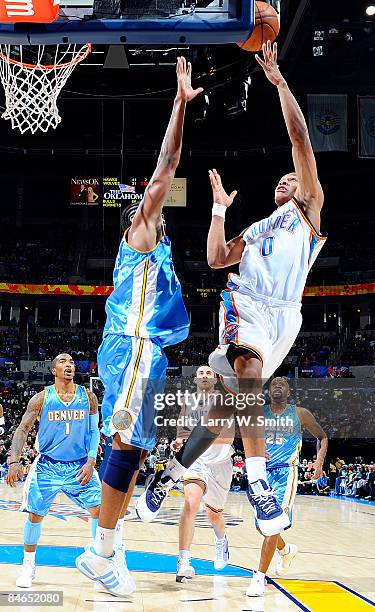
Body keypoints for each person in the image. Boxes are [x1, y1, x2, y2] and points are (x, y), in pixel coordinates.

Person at [137, 41, 325, 538]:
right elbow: (218, 258)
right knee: (249, 375)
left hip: (286, 316)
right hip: (248, 304)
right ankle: (260, 486)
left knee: (227, 409)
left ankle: (169, 474)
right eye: (282, 179)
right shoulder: (261, 227)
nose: (288, 180)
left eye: (293, 178)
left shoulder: (307, 211)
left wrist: (280, 83)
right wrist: (219, 210)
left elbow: (301, 141)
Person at [75, 56, 203, 597]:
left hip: (149, 356)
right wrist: (178, 105)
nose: (150, 208)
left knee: (136, 452)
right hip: (131, 348)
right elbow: (167, 165)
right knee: (125, 444)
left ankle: (110, 549)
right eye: (144, 207)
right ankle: (100, 550)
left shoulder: (163, 247)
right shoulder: (141, 236)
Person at [6, 354, 101, 589]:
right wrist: (13, 460)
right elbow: (22, 429)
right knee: (35, 515)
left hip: (80, 464)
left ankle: (101, 562)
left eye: (71, 362)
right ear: (53, 370)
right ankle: (28, 565)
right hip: (48, 464)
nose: (68, 364)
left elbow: (94, 432)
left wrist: (91, 461)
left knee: (99, 510)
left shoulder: (88, 397)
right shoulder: (41, 398)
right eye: (62, 361)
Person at [247, 377, 328, 598]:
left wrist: (319, 462)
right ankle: (286, 550)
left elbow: (322, 437)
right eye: (274, 384)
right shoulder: (259, 413)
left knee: (272, 526)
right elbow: (243, 434)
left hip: (285, 472)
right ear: (269, 390)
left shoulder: (300, 414)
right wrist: (255, 449)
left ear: (289, 392)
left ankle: (259, 578)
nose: (278, 386)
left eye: (282, 384)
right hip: (261, 472)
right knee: (262, 527)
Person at [175, 365, 234, 582]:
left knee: (214, 514)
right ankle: (183, 560)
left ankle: (220, 540)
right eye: (201, 373)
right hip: (196, 458)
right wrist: (180, 440)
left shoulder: (227, 399)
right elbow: (182, 426)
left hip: (220, 459)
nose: (205, 376)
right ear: (196, 379)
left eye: (209, 373)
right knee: (191, 502)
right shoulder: (188, 401)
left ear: (216, 379)